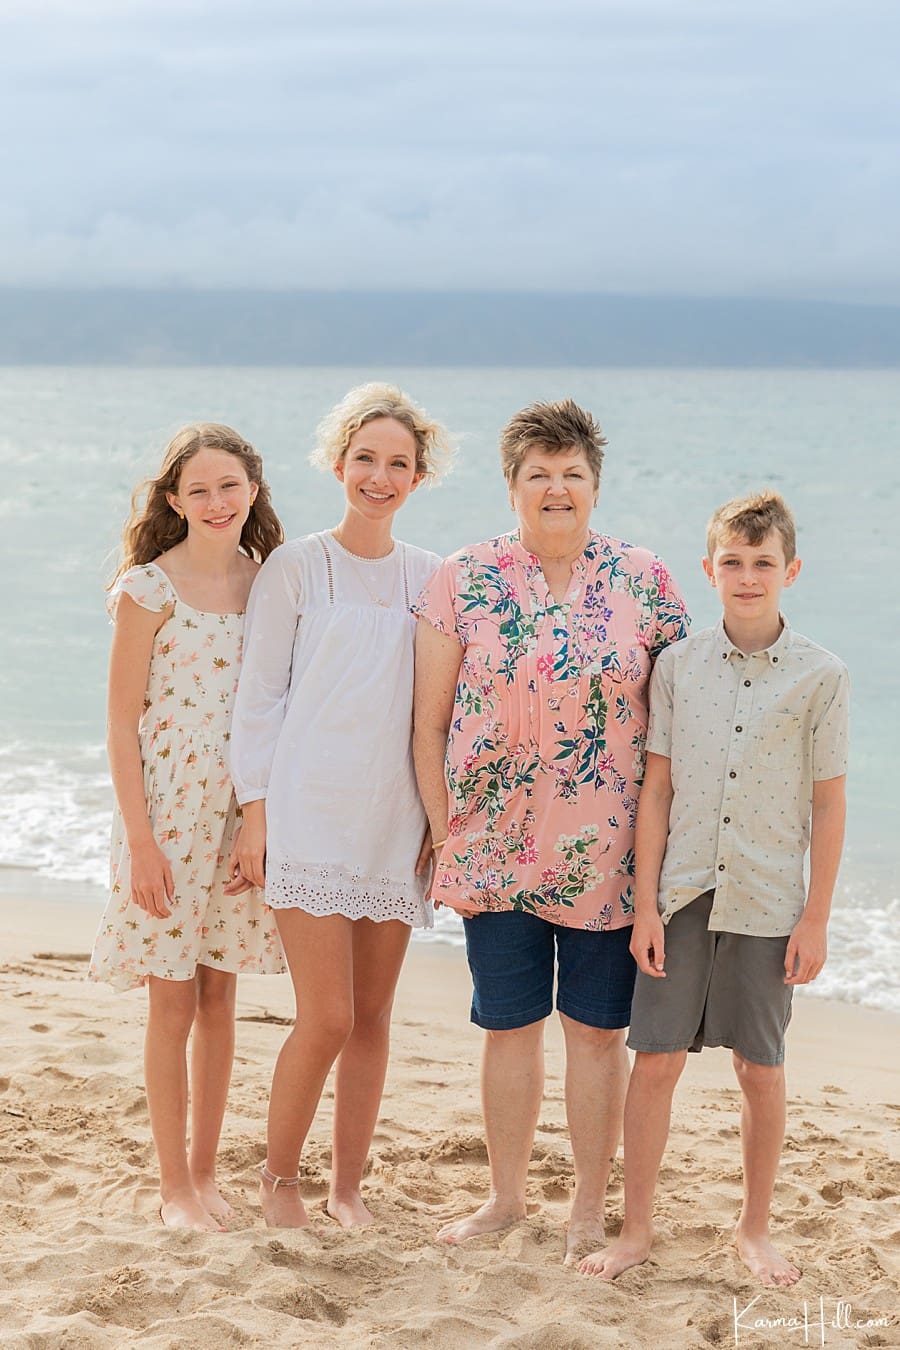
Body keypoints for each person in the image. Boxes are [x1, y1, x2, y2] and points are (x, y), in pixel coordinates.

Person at [412, 398, 689, 1261]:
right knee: (508, 1025)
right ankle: (505, 1198)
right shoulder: (462, 578)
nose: (556, 488)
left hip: (610, 860)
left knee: (597, 1033)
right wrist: (444, 830)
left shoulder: (645, 579)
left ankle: (584, 1208)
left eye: (572, 474)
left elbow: (683, 729)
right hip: (491, 850)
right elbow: (427, 724)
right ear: (512, 487)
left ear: (596, 488)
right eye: (539, 474)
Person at [579, 490, 849, 1287]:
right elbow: (654, 790)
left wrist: (817, 917)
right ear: (709, 570)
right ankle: (634, 1232)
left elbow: (829, 804)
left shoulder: (821, 676)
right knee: (655, 1061)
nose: (747, 576)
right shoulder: (678, 667)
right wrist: (643, 907)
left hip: (770, 904)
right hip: (683, 897)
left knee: (760, 1068)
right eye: (732, 562)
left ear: (790, 571)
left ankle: (754, 1229)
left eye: (763, 563)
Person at [228, 382, 450, 1229]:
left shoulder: (432, 579)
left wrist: (436, 816)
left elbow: (441, 713)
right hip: (306, 817)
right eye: (366, 459)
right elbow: (259, 700)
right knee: (325, 1016)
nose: (380, 476)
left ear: (419, 477)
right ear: (337, 464)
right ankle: (278, 1183)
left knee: (373, 1021)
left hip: (392, 825)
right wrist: (257, 814)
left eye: (398, 463)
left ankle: (346, 1189)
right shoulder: (297, 566)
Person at [89, 423, 286, 1232]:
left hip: (241, 815)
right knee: (170, 1004)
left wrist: (259, 824)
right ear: (174, 500)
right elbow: (119, 725)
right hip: (166, 817)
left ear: (253, 492)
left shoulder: (269, 585)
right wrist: (141, 844)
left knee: (219, 997)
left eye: (229, 486)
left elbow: (274, 714)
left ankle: (206, 1176)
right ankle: (174, 1187)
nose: (216, 501)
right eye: (198, 489)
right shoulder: (149, 589)